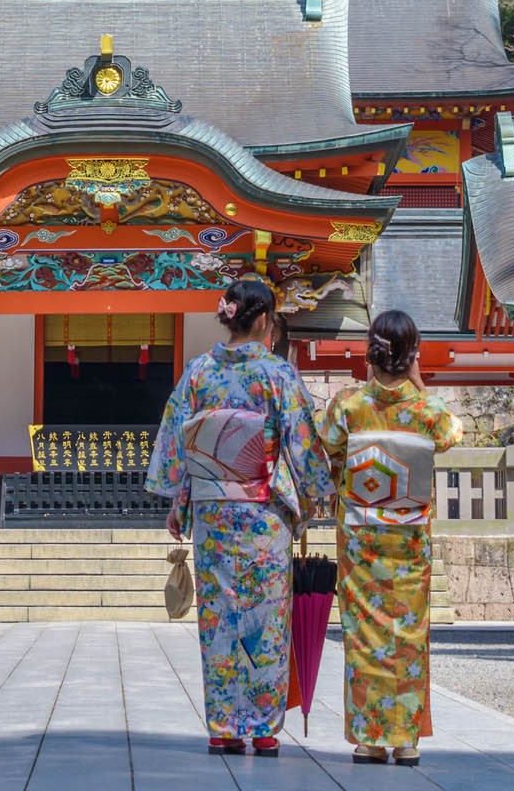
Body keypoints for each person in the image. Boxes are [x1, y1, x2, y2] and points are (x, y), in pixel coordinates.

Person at [144, 279, 335, 757]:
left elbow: (182, 444)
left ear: (229, 317)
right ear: (266, 319)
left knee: (220, 618)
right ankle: (264, 728)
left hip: (212, 512)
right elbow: (301, 443)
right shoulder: (278, 375)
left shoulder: (198, 373)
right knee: (266, 619)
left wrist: (180, 499)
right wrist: (319, 493)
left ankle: (224, 726)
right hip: (263, 513)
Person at [319, 309, 463, 767]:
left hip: (361, 537)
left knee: (362, 633)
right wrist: (417, 384)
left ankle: (368, 738)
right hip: (409, 540)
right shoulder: (428, 410)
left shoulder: (348, 405)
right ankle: (406, 740)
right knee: (408, 634)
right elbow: (451, 435)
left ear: (372, 354)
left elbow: (330, 445)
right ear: (412, 355)